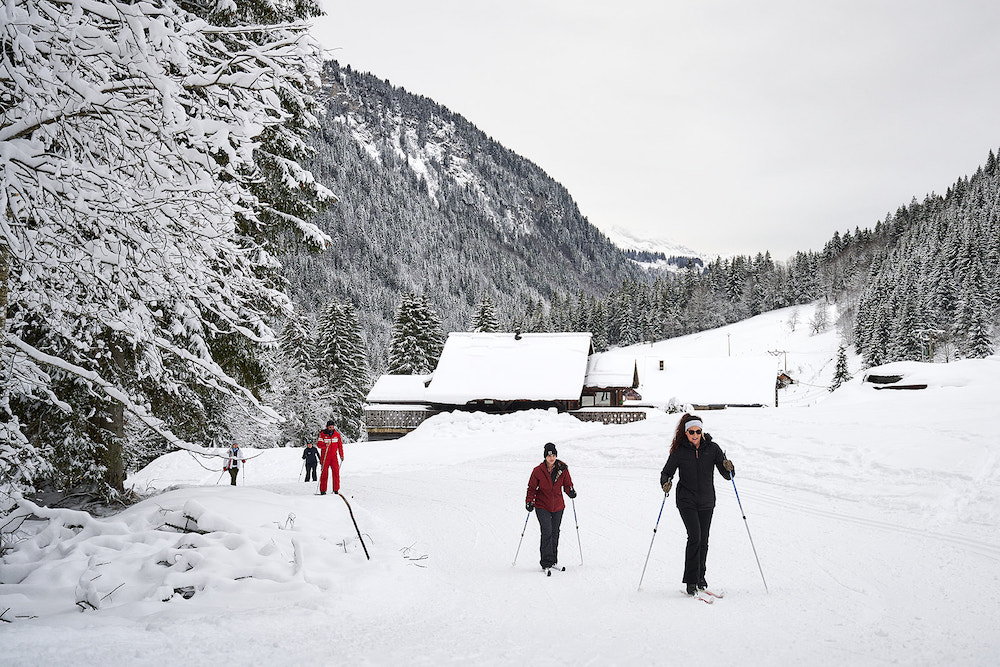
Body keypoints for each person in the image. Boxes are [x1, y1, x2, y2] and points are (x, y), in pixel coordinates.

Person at [659, 413, 734, 596]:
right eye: (691, 431)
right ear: (686, 433)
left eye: (698, 431)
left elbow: (727, 475)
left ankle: (701, 577)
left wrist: (729, 467)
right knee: (695, 537)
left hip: (707, 501)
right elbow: (666, 472)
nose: (694, 434)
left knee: (704, 540)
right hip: (686, 500)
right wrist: (665, 483)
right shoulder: (679, 452)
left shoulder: (713, 449)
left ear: (702, 431)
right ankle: (691, 581)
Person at [525, 442, 577, 573]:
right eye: (549, 456)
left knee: (555, 532)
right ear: (545, 457)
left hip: (558, 506)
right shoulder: (537, 471)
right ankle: (546, 562)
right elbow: (531, 488)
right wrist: (529, 501)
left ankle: (553, 560)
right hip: (542, 505)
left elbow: (567, 484)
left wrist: (570, 491)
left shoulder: (562, 469)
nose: (551, 458)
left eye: (553, 455)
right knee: (547, 531)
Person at [316, 420, 344, 495]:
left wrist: (341, 455)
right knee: (324, 473)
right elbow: (318, 444)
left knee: (336, 473)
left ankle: (336, 489)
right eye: (330, 427)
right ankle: (323, 490)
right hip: (325, 457)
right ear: (327, 427)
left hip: (334, 457)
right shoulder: (322, 434)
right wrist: (325, 445)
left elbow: (340, 446)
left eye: (332, 427)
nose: (331, 428)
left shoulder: (337, 435)